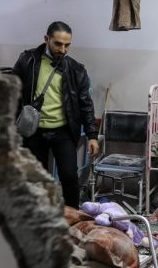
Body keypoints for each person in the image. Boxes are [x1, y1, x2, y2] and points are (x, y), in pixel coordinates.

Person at [11, 21, 100, 207]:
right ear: (46, 39)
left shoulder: (76, 69)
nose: (63, 49)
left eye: (67, 45)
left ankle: (74, 217)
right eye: (58, 44)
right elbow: (12, 92)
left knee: (69, 176)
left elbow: (86, 104)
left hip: (63, 131)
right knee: (36, 179)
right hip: (33, 131)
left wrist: (92, 135)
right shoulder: (28, 60)